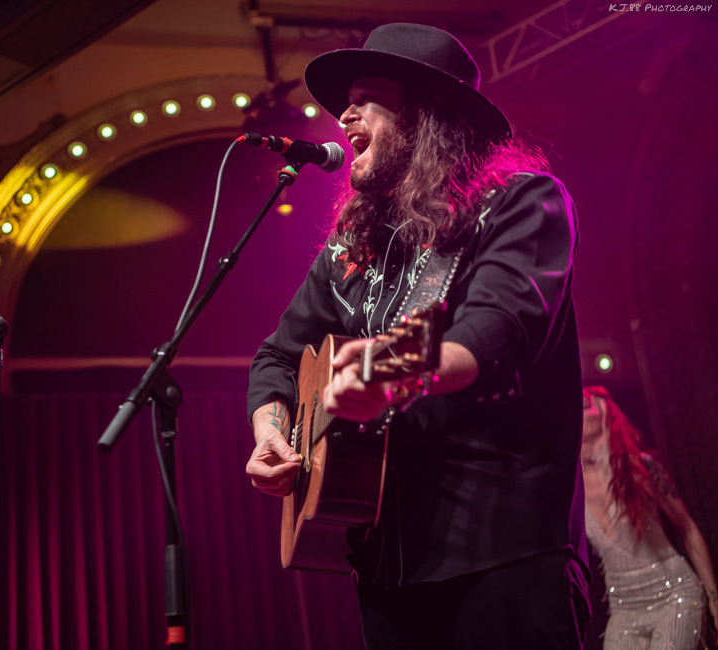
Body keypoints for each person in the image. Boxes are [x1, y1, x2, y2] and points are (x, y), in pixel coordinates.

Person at [245, 23, 590, 649]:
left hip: (502, 554)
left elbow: (493, 328)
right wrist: (271, 434)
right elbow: (276, 355)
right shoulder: (353, 252)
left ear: (427, 113)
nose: (343, 113)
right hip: (385, 568)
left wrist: (390, 371)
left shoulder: (522, 204)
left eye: (366, 95)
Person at [582, 386, 718, 649]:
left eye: (587, 404)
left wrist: (714, 601)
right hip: (623, 609)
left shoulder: (640, 467)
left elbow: (687, 528)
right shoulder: (573, 486)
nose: (579, 408)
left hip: (673, 595)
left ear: (608, 415)